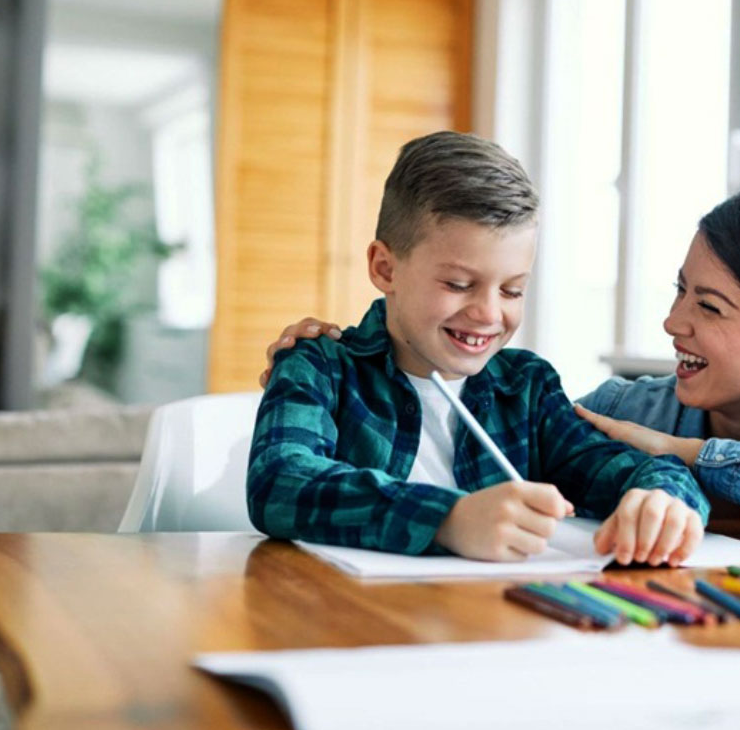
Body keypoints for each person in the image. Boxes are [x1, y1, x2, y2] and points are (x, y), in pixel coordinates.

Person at [265, 189, 740, 545]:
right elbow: (560, 443)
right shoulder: (628, 412)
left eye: (709, 306)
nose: (671, 323)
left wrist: (683, 458)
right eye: (678, 291)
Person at [249, 131, 710, 566]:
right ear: (386, 268)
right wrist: (449, 518)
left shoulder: (527, 388)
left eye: (511, 291)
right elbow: (278, 483)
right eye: (458, 284)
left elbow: (633, 470)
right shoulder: (318, 365)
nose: (488, 314)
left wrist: (664, 502)